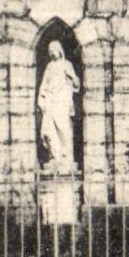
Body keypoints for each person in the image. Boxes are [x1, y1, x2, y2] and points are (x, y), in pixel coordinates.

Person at [36, 40, 80, 170]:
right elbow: (44, 84)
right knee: (50, 129)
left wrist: (71, 76)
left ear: (59, 50)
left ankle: (66, 156)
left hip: (62, 100)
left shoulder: (67, 65)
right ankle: (55, 156)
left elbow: (76, 84)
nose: (51, 52)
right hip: (51, 99)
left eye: (53, 49)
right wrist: (42, 98)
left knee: (63, 127)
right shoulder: (49, 67)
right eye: (49, 50)